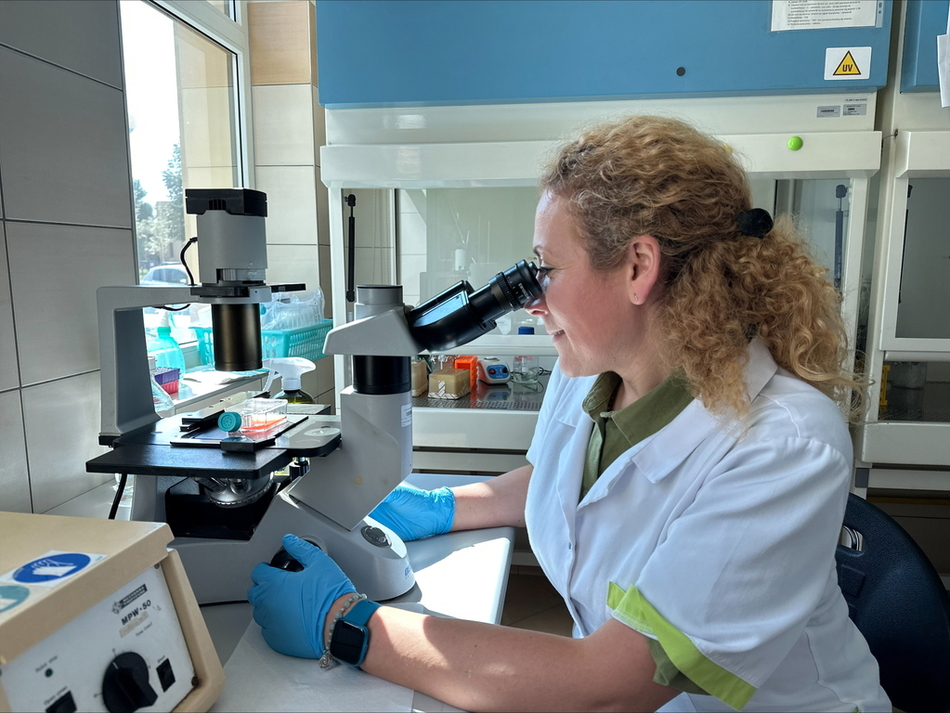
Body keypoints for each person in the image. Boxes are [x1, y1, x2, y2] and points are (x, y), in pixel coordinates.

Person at [248, 115, 891, 712]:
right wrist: (449, 504)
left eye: (545, 272)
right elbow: (564, 482)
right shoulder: (588, 367)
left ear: (639, 267)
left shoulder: (784, 445)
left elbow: (609, 686)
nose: (532, 302)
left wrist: (348, 625)